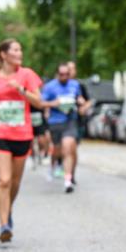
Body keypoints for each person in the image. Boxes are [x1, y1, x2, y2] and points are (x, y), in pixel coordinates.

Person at [0, 39, 44, 243]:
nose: (20, 53)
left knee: (15, 183)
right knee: (4, 180)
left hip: (22, 134)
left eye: (20, 49)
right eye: (16, 50)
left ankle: (8, 209)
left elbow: (39, 102)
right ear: (3, 55)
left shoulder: (27, 75)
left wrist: (21, 91)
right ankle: (4, 225)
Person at [41, 63, 86, 193]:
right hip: (55, 122)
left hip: (70, 120)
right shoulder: (50, 87)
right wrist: (53, 103)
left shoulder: (74, 84)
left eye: (67, 74)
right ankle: (52, 165)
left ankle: (68, 180)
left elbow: (78, 97)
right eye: (62, 74)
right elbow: (41, 103)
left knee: (68, 148)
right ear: (57, 74)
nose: (65, 77)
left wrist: (80, 101)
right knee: (57, 150)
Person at [66, 61, 93, 184]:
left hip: (76, 121)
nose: (71, 71)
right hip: (61, 121)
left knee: (72, 149)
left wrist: (84, 108)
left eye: (73, 69)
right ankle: (63, 167)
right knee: (64, 148)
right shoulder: (57, 84)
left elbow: (89, 101)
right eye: (68, 68)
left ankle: (71, 174)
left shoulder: (80, 85)